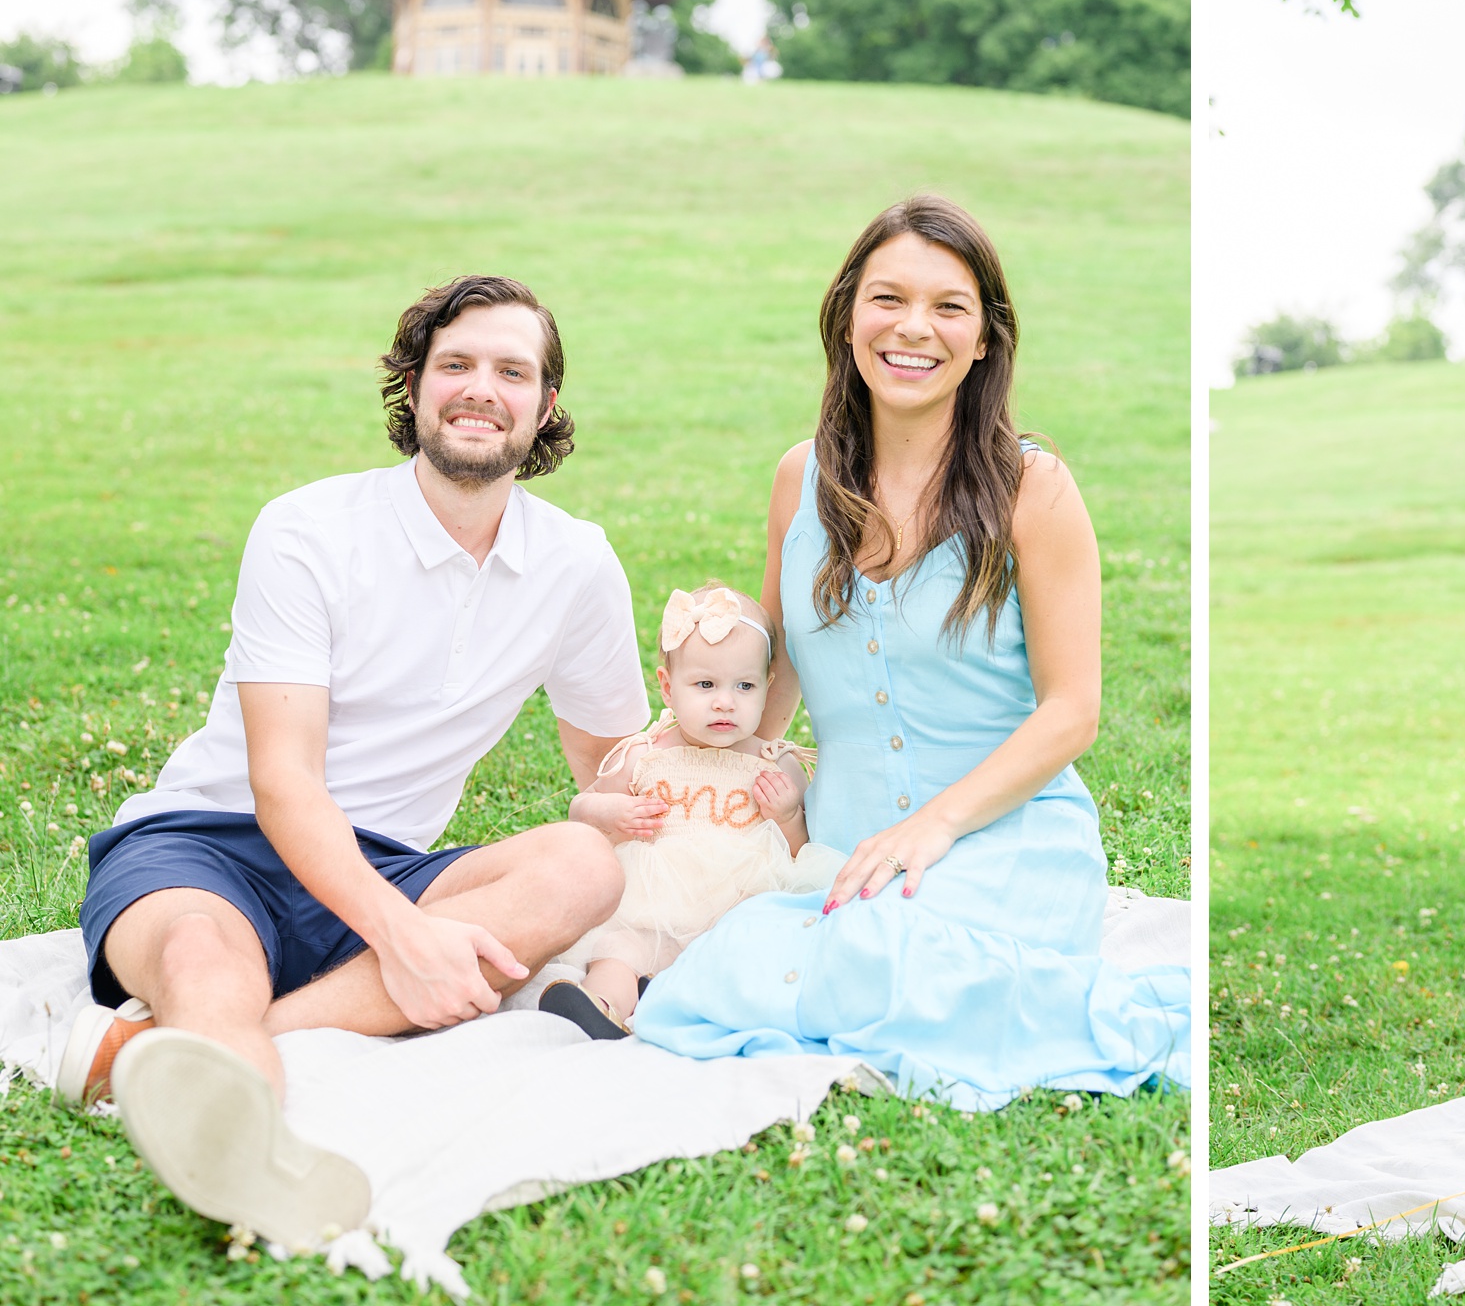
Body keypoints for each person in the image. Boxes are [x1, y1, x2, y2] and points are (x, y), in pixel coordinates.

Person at [52, 276, 649, 1251]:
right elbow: (282, 781)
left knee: (583, 863)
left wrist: (731, 756)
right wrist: (405, 936)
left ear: (545, 405)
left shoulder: (577, 564)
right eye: (454, 364)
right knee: (209, 966)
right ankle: (255, 1155)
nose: (479, 389)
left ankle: (160, 1055)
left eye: (511, 370)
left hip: (384, 859)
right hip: (205, 847)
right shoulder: (309, 528)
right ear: (412, 386)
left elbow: (615, 773)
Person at [631, 196, 1189, 1106]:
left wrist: (934, 825)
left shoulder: (1032, 489)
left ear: (983, 340)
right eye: (887, 298)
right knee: (723, 966)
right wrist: (689, 756)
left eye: (949, 307)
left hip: (1006, 839)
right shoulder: (797, 479)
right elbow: (777, 675)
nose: (913, 328)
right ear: (849, 314)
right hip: (848, 849)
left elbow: (1072, 710)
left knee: (879, 955)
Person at [538, 583, 841, 1038]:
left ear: (766, 688)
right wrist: (609, 812)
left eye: (744, 685)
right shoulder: (646, 755)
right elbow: (582, 807)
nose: (725, 701)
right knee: (618, 951)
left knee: (744, 954)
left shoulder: (777, 764)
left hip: (735, 907)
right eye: (705, 684)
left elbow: (799, 855)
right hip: (649, 902)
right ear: (667, 687)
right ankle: (603, 1003)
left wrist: (787, 816)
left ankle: (677, 1004)